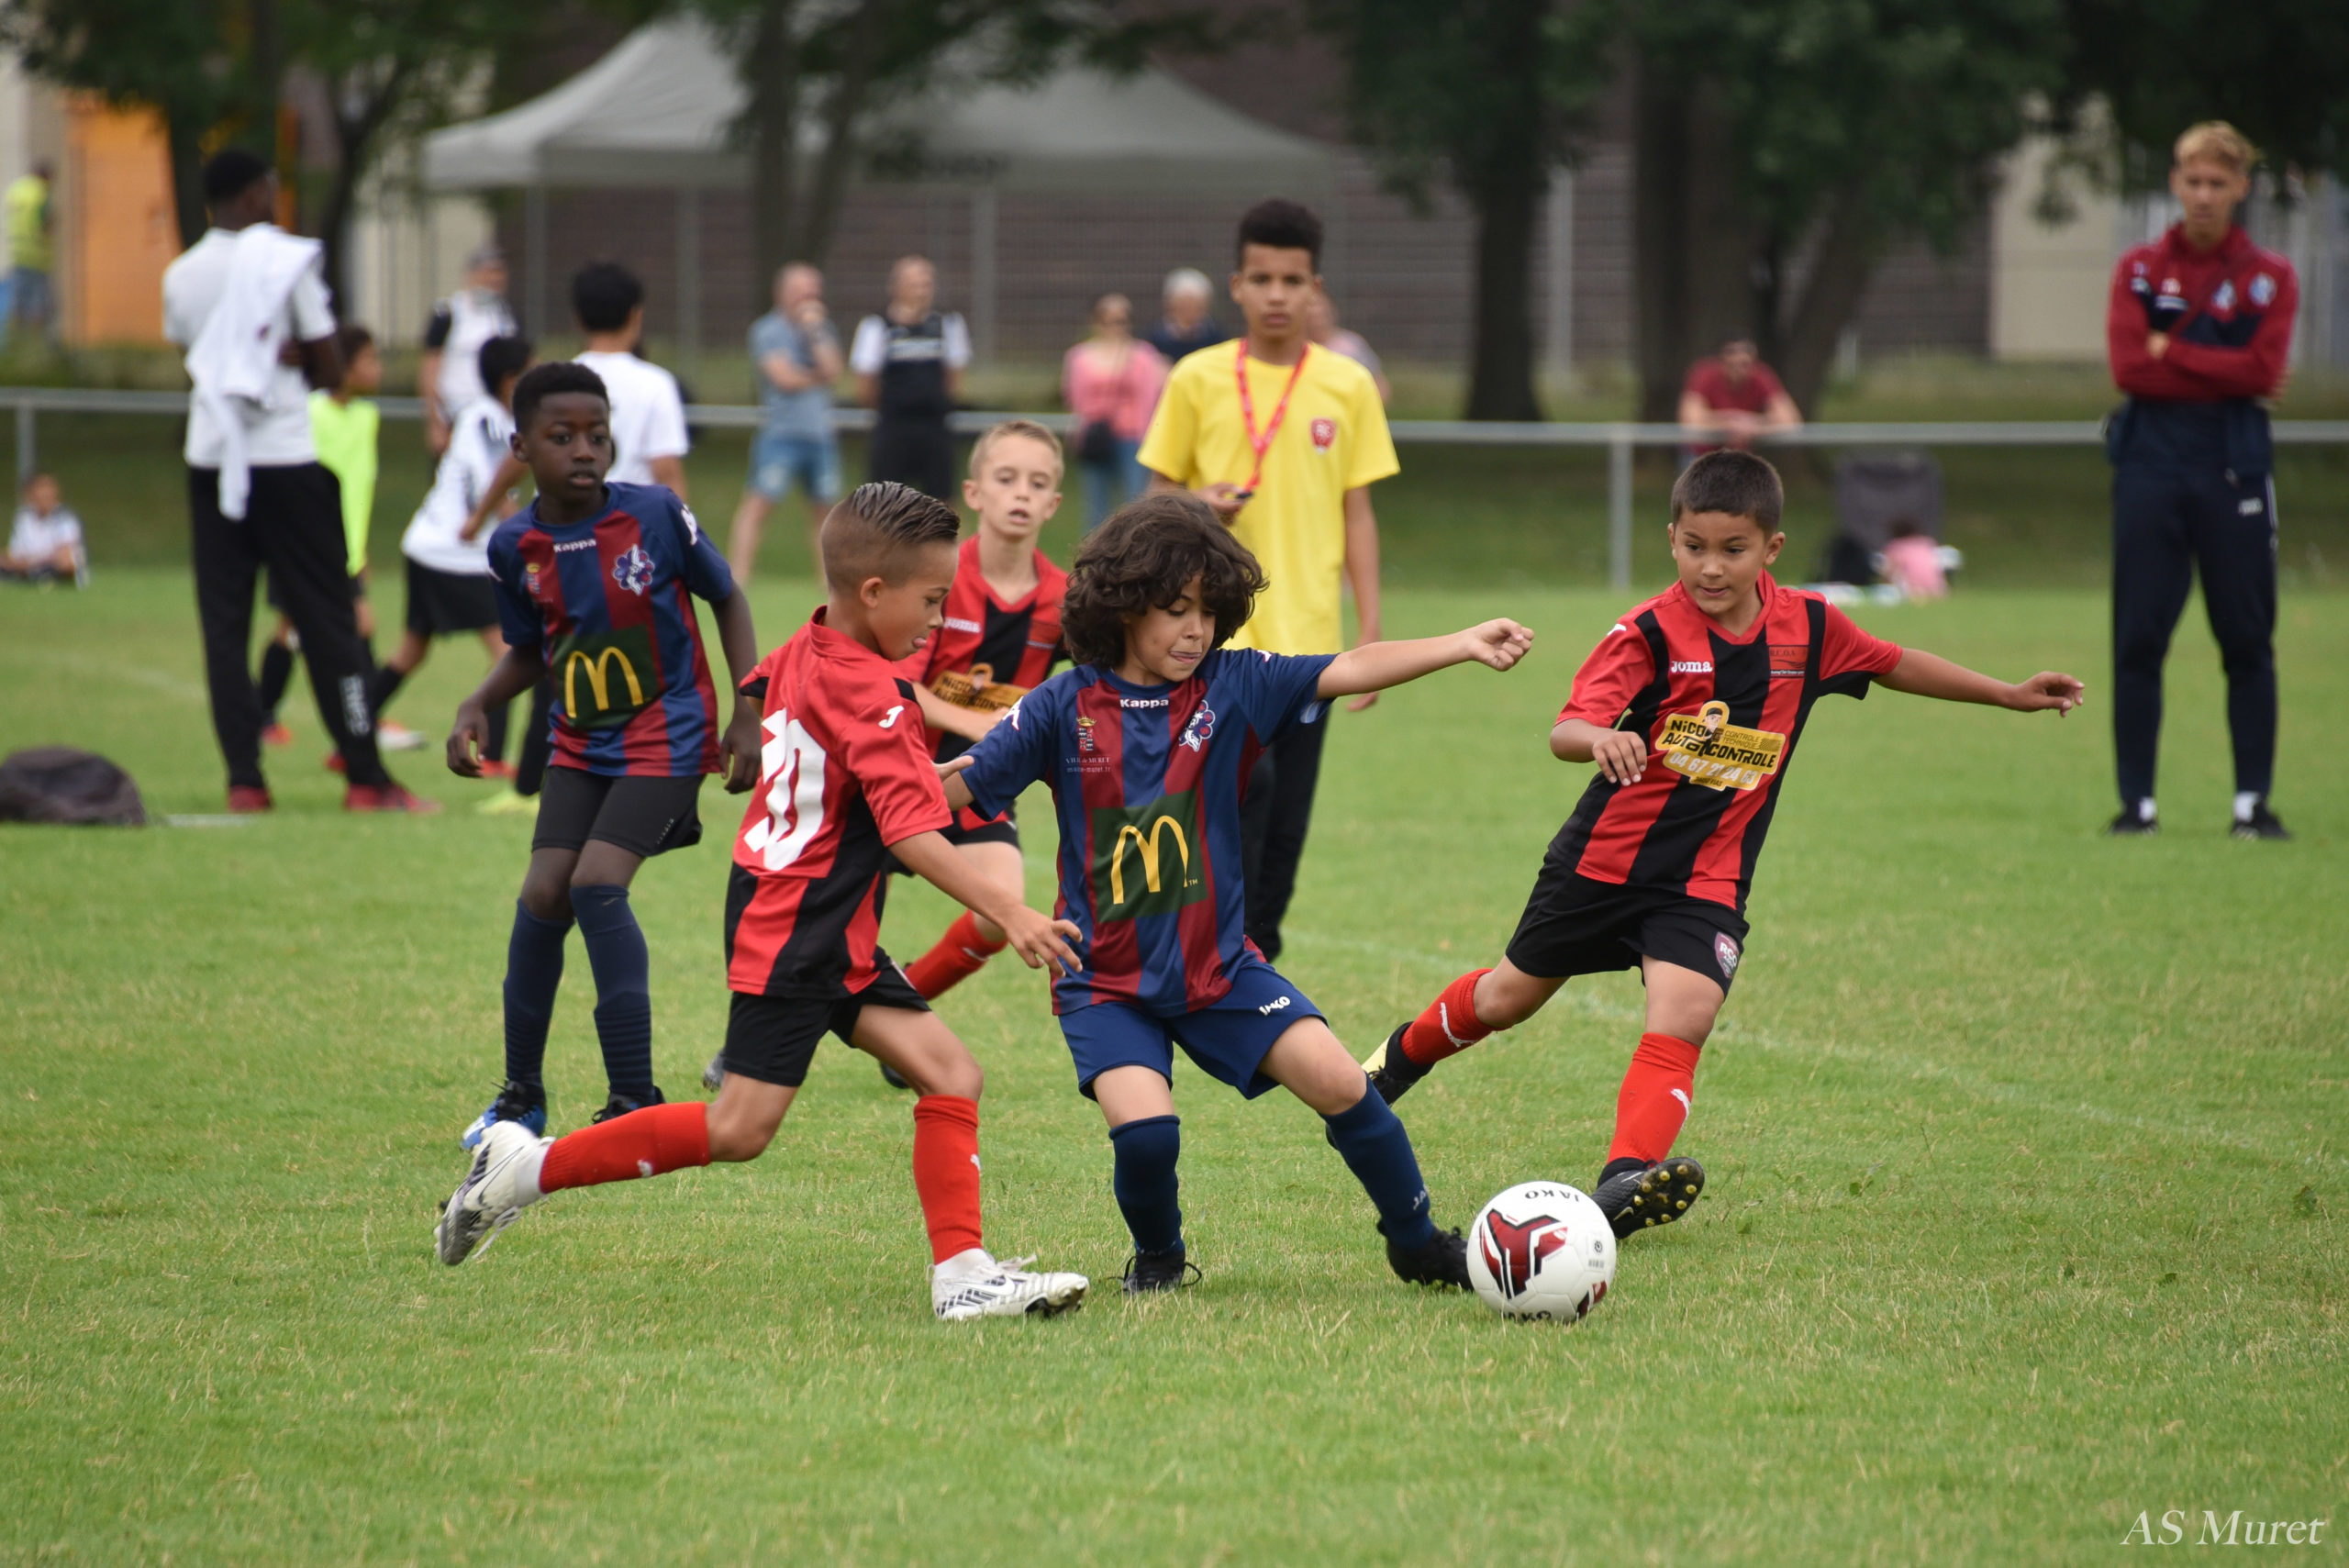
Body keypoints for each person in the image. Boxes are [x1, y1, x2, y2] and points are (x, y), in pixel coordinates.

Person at [1360, 451, 2086, 1240]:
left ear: (1771, 547)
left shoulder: (1811, 627)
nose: (1711, 566)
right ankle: (1394, 1062)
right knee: (1506, 999)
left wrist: (2007, 693)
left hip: (1708, 875)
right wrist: (1600, 738)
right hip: (1604, 864)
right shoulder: (1646, 632)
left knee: (1687, 1012)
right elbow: (1566, 728)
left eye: (1732, 549)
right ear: (1671, 539)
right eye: (1694, 546)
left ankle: (1623, 1182)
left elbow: (1893, 662)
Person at [438, 480, 1092, 1323]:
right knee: (739, 1128)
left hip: (806, 908)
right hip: (800, 922)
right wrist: (1015, 912)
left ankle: (962, 1274)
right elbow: (911, 833)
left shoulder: (808, 644)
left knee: (951, 1071)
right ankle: (523, 1169)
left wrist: (973, 764)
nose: (939, 619)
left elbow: (777, 701)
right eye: (933, 600)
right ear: (873, 592)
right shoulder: (876, 693)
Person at [942, 495, 1533, 1293]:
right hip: (1104, 979)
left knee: (1343, 1083)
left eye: (1210, 611)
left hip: (1219, 969)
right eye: (1176, 609)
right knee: (1147, 1135)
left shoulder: (1235, 684)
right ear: (1124, 606)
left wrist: (1460, 644)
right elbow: (959, 787)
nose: (1197, 630)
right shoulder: (1060, 704)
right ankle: (1159, 1257)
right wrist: (871, 780)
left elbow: (1349, 665)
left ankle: (1418, 1242)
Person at [443, 361, 762, 1145]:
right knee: (542, 893)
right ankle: (521, 1095)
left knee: (595, 883)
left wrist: (749, 709)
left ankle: (633, 1096)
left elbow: (727, 595)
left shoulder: (656, 513)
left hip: (669, 732)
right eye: (562, 436)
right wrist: (477, 702)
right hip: (580, 743)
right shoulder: (513, 545)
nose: (584, 449)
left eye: (597, 434)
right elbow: (532, 648)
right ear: (521, 447)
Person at [1138, 197, 1397, 963]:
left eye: (1292, 280)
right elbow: (1153, 500)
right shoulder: (1196, 377)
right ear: (1237, 287)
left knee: (1286, 827)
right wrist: (1198, 503)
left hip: (1309, 643)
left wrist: (1370, 631)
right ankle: (1211, 952)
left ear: (1315, 288)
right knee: (1244, 796)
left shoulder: (1348, 385)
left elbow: (1358, 514)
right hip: (1212, 641)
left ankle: (1253, 960)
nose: (1277, 295)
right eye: (1262, 279)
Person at [162, 149, 430, 814]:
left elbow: (195, 354)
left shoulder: (181, 274)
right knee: (329, 619)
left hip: (211, 459)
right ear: (255, 195)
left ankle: (245, 780)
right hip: (284, 460)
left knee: (224, 626)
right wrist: (293, 357)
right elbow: (331, 368)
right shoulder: (286, 262)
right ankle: (365, 776)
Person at [2104, 120, 2297, 841]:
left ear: (2241, 187)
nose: (2205, 195)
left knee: (2247, 641)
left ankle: (2251, 805)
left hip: (2233, 471)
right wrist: (2224, 368)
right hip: (2149, 470)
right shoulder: (2140, 271)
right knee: (2137, 641)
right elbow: (2130, 368)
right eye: (2194, 181)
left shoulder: (2269, 276)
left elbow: (2263, 369)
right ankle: (2137, 806)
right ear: (2175, 184)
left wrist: (2173, 350)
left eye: (2219, 182)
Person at [874, 420, 1069, 1053]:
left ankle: (903, 1001)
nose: (1021, 493)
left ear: (1053, 503)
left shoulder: (1063, 599)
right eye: (1006, 478)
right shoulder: (940, 577)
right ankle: (746, 1051)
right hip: (891, 772)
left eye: (1036, 483)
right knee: (834, 930)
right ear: (975, 493)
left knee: (997, 913)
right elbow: (897, 682)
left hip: (980, 784)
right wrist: (974, 723)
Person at [365, 334, 535, 776]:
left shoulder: (487, 416)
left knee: (411, 651)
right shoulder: (489, 419)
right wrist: (521, 533)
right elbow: (491, 486)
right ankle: (492, 759)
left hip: (428, 546)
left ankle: (353, 736)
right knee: (508, 650)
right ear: (510, 379)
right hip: (454, 555)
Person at [254, 325, 418, 753]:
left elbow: (356, 491)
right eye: (370, 361)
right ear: (343, 368)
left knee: (316, 628)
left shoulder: (367, 417)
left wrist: (359, 551)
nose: (378, 369)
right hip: (304, 545)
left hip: (346, 550)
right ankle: (354, 721)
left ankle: (352, 719)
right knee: (306, 628)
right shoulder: (309, 414)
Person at [728, 263, 843, 584]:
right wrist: (818, 376)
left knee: (825, 511)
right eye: (802, 290)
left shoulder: (822, 329)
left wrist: (814, 333)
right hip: (781, 435)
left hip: (820, 434)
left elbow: (835, 370)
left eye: (813, 291)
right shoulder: (767, 330)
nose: (809, 297)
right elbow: (784, 378)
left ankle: (829, 582)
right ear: (782, 293)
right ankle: (738, 576)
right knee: (759, 504)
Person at [852, 255, 969, 501]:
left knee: (943, 503)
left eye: (926, 284)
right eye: (914, 284)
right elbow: (865, 381)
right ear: (896, 287)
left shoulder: (947, 323)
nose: (922, 291)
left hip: (934, 426)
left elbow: (954, 376)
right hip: (893, 426)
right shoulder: (877, 326)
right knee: (884, 504)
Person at [1062, 293, 1166, 530]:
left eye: (1122, 319)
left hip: (1133, 436)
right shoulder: (1080, 357)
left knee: (1136, 500)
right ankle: (1095, 550)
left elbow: (1151, 395)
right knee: (1096, 505)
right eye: (1108, 318)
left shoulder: (1143, 355)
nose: (1115, 325)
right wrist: (1079, 433)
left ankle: (1135, 548)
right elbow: (1075, 397)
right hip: (1097, 435)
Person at [418, 246, 516, 457]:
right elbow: (430, 369)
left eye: (500, 272)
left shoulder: (504, 317)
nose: (496, 279)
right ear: (472, 275)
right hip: (454, 417)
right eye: (490, 272)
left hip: (492, 419)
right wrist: (434, 423)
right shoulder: (448, 313)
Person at [1678, 337, 1802, 453]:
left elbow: (1790, 421)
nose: (1738, 371)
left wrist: (1752, 426)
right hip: (1701, 454)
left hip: (1740, 455)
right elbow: (1689, 420)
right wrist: (1729, 423)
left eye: (1744, 364)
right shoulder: (1703, 374)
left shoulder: (1762, 376)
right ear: (1721, 362)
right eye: (1731, 365)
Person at [1307, 291, 1389, 406]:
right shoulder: (1295, 349)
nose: (1317, 319)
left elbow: (1379, 383)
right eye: (1312, 315)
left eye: (1322, 314)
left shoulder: (1351, 345)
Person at [2, 472, 84, 585]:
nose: (45, 494)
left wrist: (32, 561)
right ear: (30, 494)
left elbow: (66, 559)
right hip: (31, 565)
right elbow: (15, 554)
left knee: (61, 566)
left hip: (53, 568)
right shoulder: (23, 517)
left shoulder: (64, 518)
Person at [6, 161, 52, 343]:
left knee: (17, 301)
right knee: (38, 302)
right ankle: (35, 344)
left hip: (18, 252)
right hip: (36, 254)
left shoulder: (17, 190)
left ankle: (14, 342)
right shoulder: (40, 194)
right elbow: (45, 223)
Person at [1142, 267, 1229, 364]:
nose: (1189, 309)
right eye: (1184, 304)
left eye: (1195, 304)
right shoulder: (1157, 336)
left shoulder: (1214, 334)